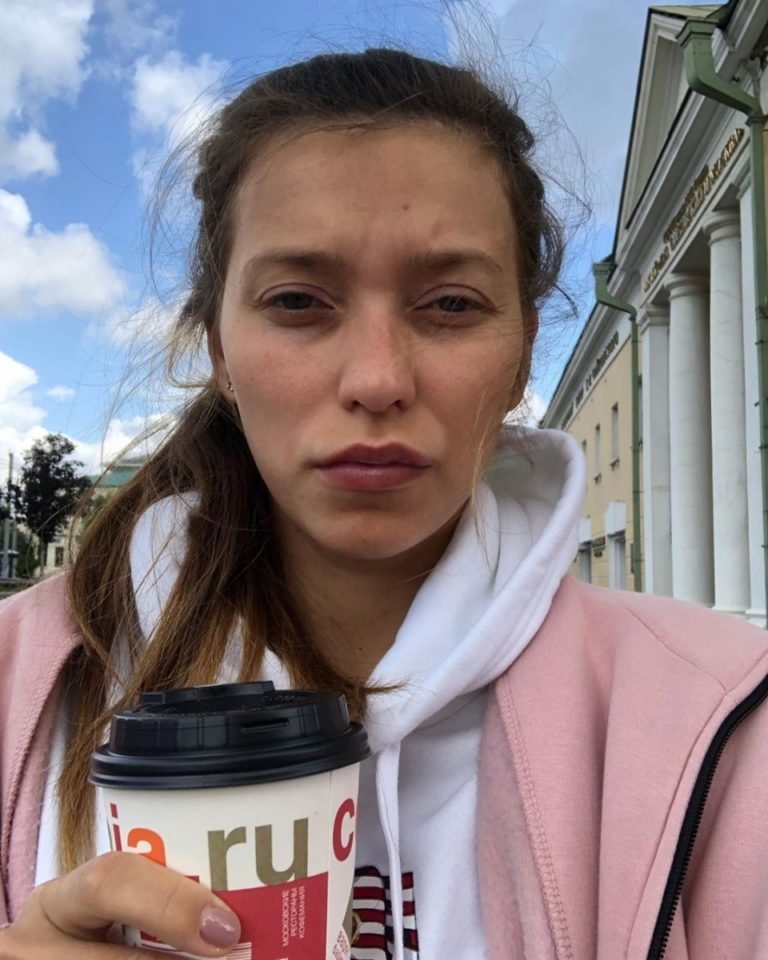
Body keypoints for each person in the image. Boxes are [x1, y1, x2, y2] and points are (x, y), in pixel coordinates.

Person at [1, 44, 768, 960]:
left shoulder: (724, 720)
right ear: (219, 352)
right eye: (298, 301)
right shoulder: (18, 685)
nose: (376, 380)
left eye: (450, 305)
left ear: (523, 353)